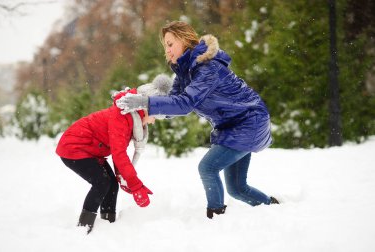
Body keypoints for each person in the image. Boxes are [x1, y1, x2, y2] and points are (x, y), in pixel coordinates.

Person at [117, 21, 279, 219]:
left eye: (170, 44)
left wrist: (146, 102)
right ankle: (275, 207)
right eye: (164, 46)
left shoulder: (206, 68)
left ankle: (216, 217)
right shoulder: (185, 72)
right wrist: (145, 108)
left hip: (249, 121)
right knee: (237, 188)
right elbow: (173, 102)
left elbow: (185, 103)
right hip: (231, 126)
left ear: (185, 40)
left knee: (208, 168)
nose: (167, 51)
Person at [56, 74, 172, 233]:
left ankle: (108, 225)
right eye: (155, 118)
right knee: (102, 183)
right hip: (74, 147)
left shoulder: (130, 118)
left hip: (91, 149)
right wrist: (135, 185)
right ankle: (83, 227)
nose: (153, 122)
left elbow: (119, 156)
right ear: (146, 110)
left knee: (111, 184)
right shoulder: (122, 117)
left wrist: (126, 180)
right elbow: (119, 155)